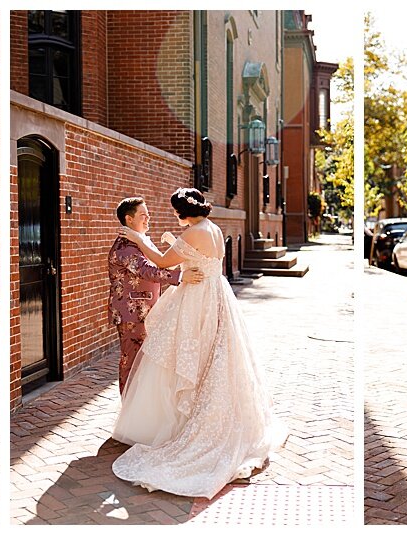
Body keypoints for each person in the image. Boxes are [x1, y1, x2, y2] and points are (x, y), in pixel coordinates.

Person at [109, 188, 287, 498]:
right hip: (217, 294)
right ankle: (201, 413)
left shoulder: (192, 233)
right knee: (215, 355)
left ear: (182, 213)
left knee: (185, 355)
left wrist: (138, 239)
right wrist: (168, 241)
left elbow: (163, 262)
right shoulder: (214, 228)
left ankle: (185, 423)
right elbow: (193, 257)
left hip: (197, 299)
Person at [107, 197, 202, 394]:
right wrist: (182, 276)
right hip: (132, 314)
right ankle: (129, 407)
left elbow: (161, 263)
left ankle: (139, 405)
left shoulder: (138, 242)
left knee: (144, 361)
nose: (148, 217)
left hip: (146, 312)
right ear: (129, 219)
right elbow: (148, 271)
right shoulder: (126, 247)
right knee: (131, 361)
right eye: (143, 214)